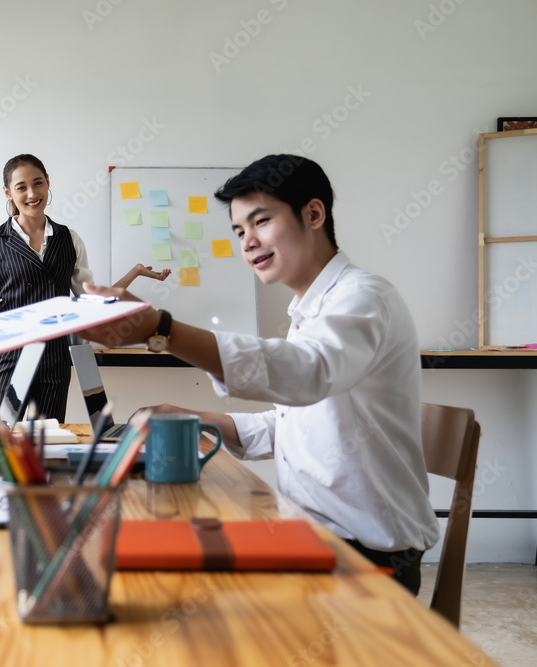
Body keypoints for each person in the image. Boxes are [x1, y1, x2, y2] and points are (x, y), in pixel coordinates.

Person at [76, 154, 439, 595]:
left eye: (261, 222)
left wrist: (162, 329)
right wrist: (194, 421)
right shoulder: (311, 309)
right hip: (312, 534)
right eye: (239, 231)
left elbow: (308, 375)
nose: (248, 242)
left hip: (367, 556)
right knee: (152, 557)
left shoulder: (363, 298)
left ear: (313, 214)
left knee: (185, 594)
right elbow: (295, 423)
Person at [0, 153, 171, 421]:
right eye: (21, 187)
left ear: (48, 183)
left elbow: (90, 303)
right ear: (8, 193)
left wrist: (135, 273)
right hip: (7, 358)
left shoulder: (69, 239)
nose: (32, 193)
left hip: (54, 359)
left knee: (48, 442)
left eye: (38, 183)